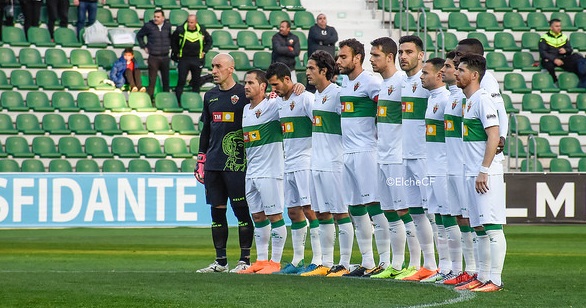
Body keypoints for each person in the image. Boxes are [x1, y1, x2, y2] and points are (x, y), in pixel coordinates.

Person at [195, 53, 254, 274]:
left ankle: (244, 260)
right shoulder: (209, 96)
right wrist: (201, 158)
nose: (214, 70)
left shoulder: (243, 93)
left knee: (241, 211)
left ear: (231, 69)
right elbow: (206, 129)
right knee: (217, 212)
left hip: (237, 164)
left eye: (218, 66)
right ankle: (220, 262)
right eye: (212, 66)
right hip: (213, 163)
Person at [336, 38, 389, 277]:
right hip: (348, 153)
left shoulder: (370, 82)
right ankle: (367, 261)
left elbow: (386, 109)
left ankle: (386, 261)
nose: (339, 61)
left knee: (374, 206)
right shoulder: (345, 85)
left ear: (357, 57)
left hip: (367, 152)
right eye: (338, 57)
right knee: (355, 207)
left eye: (343, 57)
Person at [300, 50, 354, 277]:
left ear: (324, 71)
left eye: (311, 68)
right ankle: (325, 262)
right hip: (317, 163)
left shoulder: (338, 94)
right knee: (322, 213)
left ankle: (344, 263)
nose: (307, 72)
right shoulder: (316, 97)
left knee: (341, 213)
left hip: (335, 163)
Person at [454, 54, 506, 292]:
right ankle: (482, 276)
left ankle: (495, 279)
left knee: (492, 227)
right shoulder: (470, 101)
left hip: (486, 174)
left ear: (474, 75)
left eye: (461, 70)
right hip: (472, 174)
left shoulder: (484, 99)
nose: (456, 73)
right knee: (479, 229)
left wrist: (484, 170)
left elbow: (494, 136)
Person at [266, 62, 322, 275]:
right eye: (271, 85)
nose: (274, 89)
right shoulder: (278, 102)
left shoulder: (306, 98)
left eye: (276, 84)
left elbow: (319, 125)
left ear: (287, 80)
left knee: (310, 209)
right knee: (293, 211)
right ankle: (298, 260)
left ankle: (318, 259)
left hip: (305, 161)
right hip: (288, 162)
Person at [366, 37, 411, 280]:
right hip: (382, 156)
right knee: (389, 211)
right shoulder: (383, 85)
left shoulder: (403, 83)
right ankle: (394, 263)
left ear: (390, 57)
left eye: (375, 55)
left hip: (398, 157)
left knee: (405, 211)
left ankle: (414, 264)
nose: (371, 59)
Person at [238, 70, 287, 275]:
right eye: (245, 83)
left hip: (270, 171)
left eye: (250, 82)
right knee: (257, 217)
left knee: (275, 216)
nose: (246, 86)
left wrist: (298, 88)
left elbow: (290, 98)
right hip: (252, 172)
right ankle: (260, 260)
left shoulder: (273, 105)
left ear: (263, 86)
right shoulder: (245, 109)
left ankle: (275, 262)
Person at [396, 35, 436, 282]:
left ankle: (447, 266)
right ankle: (428, 265)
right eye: (400, 52)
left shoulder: (429, 83)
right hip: (406, 156)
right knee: (416, 212)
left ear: (421, 55)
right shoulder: (402, 82)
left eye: (408, 52)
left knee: (434, 213)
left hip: (425, 157)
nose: (403, 56)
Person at [439, 51, 473, 286]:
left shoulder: (465, 99)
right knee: (457, 218)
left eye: (451, 67)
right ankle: (459, 269)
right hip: (450, 166)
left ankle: (472, 270)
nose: (445, 70)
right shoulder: (451, 97)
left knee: (468, 219)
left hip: (463, 167)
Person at [419, 57, 451, 283]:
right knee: (436, 218)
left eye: (425, 73)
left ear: (439, 75)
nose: (421, 76)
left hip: (443, 168)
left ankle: (452, 267)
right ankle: (443, 267)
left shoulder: (448, 99)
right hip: (431, 167)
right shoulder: (432, 99)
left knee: (447, 218)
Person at [171, 14, 213, 103]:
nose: (190, 24)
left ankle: (195, 101)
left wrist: (204, 51)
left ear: (196, 22)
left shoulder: (202, 30)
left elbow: (209, 41)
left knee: (196, 82)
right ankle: (178, 101)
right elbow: (173, 41)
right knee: (181, 80)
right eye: (189, 22)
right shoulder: (180, 30)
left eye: (192, 22)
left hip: (197, 59)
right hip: (184, 59)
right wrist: (176, 52)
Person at [539, 19, 586, 86]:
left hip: (562, 59)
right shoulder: (544, 38)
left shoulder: (563, 37)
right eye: (557, 26)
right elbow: (543, 53)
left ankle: (582, 79)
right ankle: (554, 81)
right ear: (551, 28)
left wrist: (566, 50)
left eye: (560, 26)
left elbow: (570, 49)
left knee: (577, 56)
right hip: (550, 59)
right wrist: (554, 59)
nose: (559, 28)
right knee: (547, 62)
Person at [137, 9, 172, 99]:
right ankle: (150, 98)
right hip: (153, 57)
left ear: (163, 18)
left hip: (165, 56)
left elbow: (170, 37)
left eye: (158, 17)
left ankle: (166, 98)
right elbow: (139, 35)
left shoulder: (168, 26)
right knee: (152, 80)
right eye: (155, 17)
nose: (156, 19)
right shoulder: (148, 26)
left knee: (166, 79)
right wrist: (143, 46)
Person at [307, 14, 338, 93]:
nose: (322, 20)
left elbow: (334, 38)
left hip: (328, 62)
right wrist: (328, 42)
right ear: (317, 21)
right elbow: (317, 37)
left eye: (324, 18)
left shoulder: (332, 29)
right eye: (320, 18)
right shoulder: (313, 29)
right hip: (316, 63)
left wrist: (321, 42)